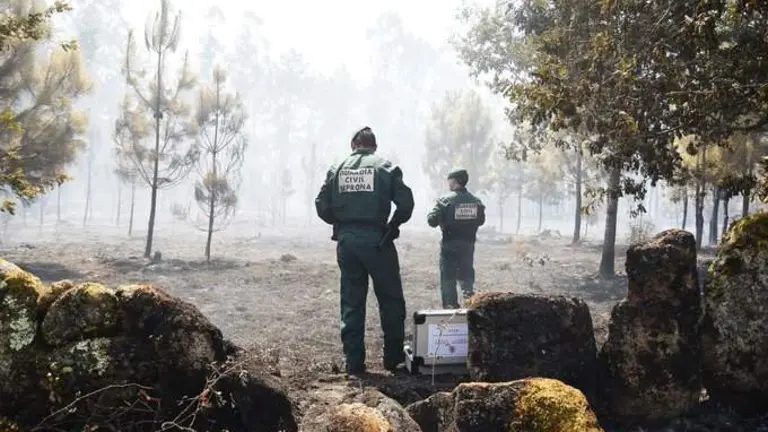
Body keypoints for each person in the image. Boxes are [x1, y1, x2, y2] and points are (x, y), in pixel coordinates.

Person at [314, 126, 414, 375]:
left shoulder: (337, 168)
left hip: (347, 242)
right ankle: (392, 358)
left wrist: (341, 224)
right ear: (374, 147)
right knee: (390, 299)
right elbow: (406, 203)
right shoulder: (386, 167)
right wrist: (393, 225)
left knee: (351, 302)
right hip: (378, 241)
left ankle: (354, 362)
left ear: (353, 146)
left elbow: (321, 204)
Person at [427, 168, 486, 308]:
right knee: (467, 278)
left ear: (453, 181)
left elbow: (431, 221)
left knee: (448, 279)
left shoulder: (444, 201)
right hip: (468, 246)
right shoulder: (476, 202)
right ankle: (471, 307)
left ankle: (450, 308)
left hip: (449, 245)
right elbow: (481, 221)